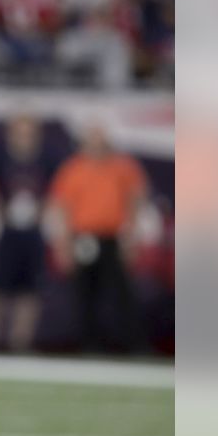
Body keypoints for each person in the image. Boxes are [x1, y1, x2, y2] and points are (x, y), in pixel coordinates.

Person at [47, 124, 147, 352]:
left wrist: (131, 237)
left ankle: (132, 344)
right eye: (93, 139)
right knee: (84, 294)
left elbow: (135, 200)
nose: (97, 144)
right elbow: (61, 208)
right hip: (83, 238)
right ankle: (88, 345)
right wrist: (63, 245)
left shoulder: (123, 167)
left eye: (100, 139)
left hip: (113, 237)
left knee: (122, 294)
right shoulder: (73, 169)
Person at [0, 114, 51, 352]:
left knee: (30, 291)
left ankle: (20, 343)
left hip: (34, 232)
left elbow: (58, 188)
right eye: (20, 131)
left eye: (28, 132)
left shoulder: (47, 159)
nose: (24, 137)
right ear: (11, 133)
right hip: (7, 231)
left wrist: (42, 208)